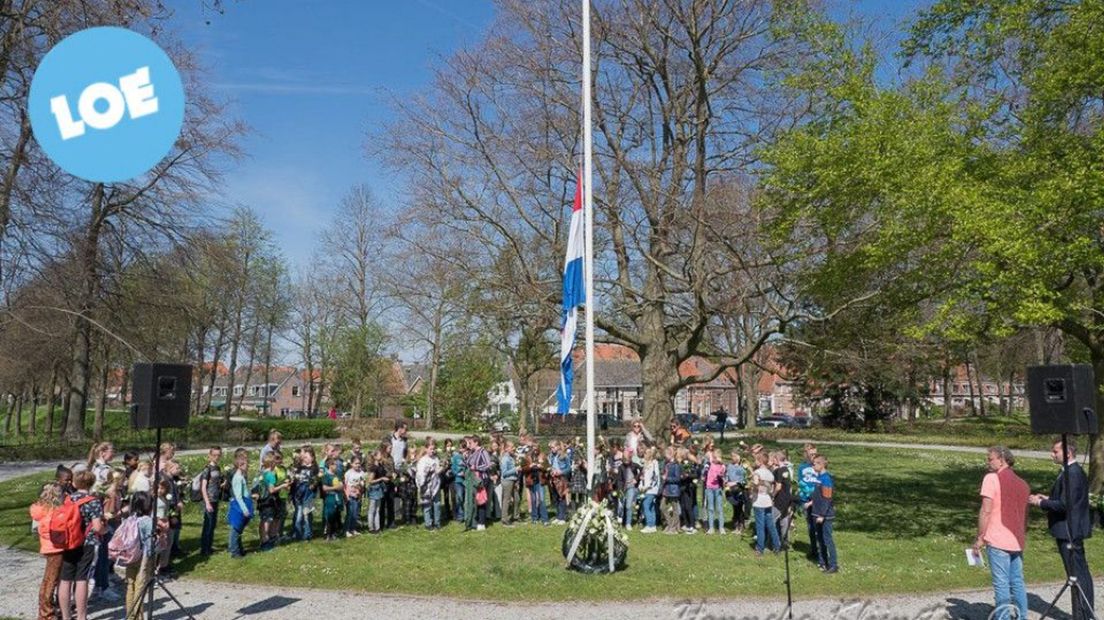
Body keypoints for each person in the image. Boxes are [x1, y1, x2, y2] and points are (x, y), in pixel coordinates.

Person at [1030, 439, 1095, 620]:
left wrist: (1041, 502)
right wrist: (1049, 497)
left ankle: (1083, 615)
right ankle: (1082, 614)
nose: (1052, 454)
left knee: (1078, 575)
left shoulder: (1073, 473)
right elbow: (1066, 499)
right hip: (1068, 529)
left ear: (1067, 453)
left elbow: (1066, 505)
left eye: (1055, 451)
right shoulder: (1069, 472)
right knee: (1077, 573)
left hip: (1069, 531)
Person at [974, 446, 1029, 620]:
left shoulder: (991, 479)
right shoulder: (1023, 484)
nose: (988, 462)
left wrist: (980, 537)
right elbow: (1023, 516)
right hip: (1017, 539)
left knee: (1001, 584)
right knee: (1018, 582)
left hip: (998, 538)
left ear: (1002, 459)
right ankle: (1022, 616)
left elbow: (986, 511)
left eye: (990, 459)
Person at [58, 470, 104, 620]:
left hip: (68, 541)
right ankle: (81, 616)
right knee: (81, 579)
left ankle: (66, 616)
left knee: (65, 579)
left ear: (75, 483)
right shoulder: (93, 500)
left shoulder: (67, 499)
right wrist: (105, 529)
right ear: (91, 483)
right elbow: (97, 527)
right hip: (86, 542)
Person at [30, 483, 64, 620]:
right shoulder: (53, 512)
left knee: (49, 579)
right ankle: (46, 613)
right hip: (56, 548)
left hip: (47, 547)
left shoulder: (40, 510)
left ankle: (47, 609)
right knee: (51, 580)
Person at [122, 491, 156, 620]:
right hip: (143, 557)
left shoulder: (130, 518)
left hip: (130, 555)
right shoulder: (148, 521)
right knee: (140, 587)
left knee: (130, 585)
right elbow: (151, 545)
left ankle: (130, 615)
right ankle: (138, 616)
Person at [809, 455, 838, 573]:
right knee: (819, 539)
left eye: (815, 463)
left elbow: (827, 499)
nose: (813, 465)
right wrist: (811, 502)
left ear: (821, 465)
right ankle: (823, 562)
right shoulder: (819, 477)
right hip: (817, 512)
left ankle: (833, 564)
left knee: (827, 540)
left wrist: (822, 515)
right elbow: (819, 495)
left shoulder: (826, 479)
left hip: (825, 515)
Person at [751, 451, 780, 556]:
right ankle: (777, 546)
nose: (755, 462)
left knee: (760, 525)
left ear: (760, 461)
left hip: (759, 501)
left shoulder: (757, 472)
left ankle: (760, 548)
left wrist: (753, 486)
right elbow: (772, 489)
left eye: (756, 460)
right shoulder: (770, 474)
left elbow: (755, 484)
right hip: (768, 501)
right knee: (771, 525)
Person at [796, 444, 820, 560]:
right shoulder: (802, 467)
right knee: (810, 526)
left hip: (818, 500)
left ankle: (822, 550)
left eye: (815, 454)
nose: (813, 456)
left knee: (818, 526)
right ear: (806, 454)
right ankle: (814, 550)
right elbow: (800, 482)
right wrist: (804, 496)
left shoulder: (819, 466)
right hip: (806, 500)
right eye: (811, 454)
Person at [199, 446, 223, 556]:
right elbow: (203, 487)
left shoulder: (217, 468)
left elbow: (216, 483)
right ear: (209, 456)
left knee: (212, 524)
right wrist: (207, 502)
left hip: (215, 498)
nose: (216, 457)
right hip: (209, 499)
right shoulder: (207, 469)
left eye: (219, 455)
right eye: (214, 455)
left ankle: (209, 546)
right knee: (207, 524)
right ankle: (204, 549)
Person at [228, 449, 251, 558]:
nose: (248, 466)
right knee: (236, 528)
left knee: (240, 528)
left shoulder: (241, 476)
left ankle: (239, 548)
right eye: (247, 464)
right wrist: (244, 509)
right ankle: (234, 550)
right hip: (239, 505)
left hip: (244, 502)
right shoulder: (237, 478)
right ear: (240, 465)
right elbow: (238, 496)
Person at [415, 444, 443, 530]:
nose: (432, 451)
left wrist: (441, 469)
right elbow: (420, 474)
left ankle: (437, 522)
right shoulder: (423, 460)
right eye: (431, 449)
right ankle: (428, 523)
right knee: (427, 504)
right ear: (426, 449)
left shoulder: (436, 459)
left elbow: (437, 471)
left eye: (434, 449)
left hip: (435, 485)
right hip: (426, 486)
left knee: (437, 504)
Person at [771, 450, 794, 549]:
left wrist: (772, 495)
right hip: (788, 499)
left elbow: (778, 486)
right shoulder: (787, 469)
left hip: (780, 499)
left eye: (773, 459)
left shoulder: (780, 471)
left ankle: (774, 543)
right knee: (784, 520)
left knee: (771, 520)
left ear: (776, 459)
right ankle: (784, 541)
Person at [725, 451, 748, 534]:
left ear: (739, 457)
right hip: (730, 490)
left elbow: (743, 480)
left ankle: (740, 526)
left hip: (739, 489)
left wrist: (734, 483)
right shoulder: (729, 466)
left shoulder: (742, 467)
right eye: (732, 456)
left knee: (739, 507)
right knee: (735, 507)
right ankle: (736, 525)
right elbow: (726, 476)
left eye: (735, 456)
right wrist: (726, 481)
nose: (733, 458)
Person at [321, 457, 344, 541]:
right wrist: (335, 487)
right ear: (330, 465)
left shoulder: (337, 475)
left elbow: (341, 485)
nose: (336, 466)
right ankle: (327, 534)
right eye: (334, 464)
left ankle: (334, 533)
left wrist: (340, 487)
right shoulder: (326, 476)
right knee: (329, 516)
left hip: (337, 499)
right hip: (330, 498)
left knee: (335, 516)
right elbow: (324, 488)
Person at [704, 449, 726, 535]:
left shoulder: (722, 466)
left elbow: (723, 475)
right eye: (713, 457)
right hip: (709, 488)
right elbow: (705, 469)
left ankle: (721, 527)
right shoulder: (709, 464)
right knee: (710, 508)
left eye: (715, 457)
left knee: (719, 508)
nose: (713, 459)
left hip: (718, 489)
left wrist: (721, 474)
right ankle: (711, 528)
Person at [662, 446, 683, 534]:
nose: (665, 457)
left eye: (666, 455)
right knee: (662, 507)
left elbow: (677, 479)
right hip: (666, 490)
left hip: (673, 490)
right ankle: (670, 524)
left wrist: (666, 478)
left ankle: (674, 528)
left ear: (670, 455)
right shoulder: (666, 464)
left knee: (675, 510)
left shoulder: (676, 465)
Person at [640, 446, 661, 533]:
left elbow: (655, 477)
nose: (644, 455)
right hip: (645, 489)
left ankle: (649, 525)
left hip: (651, 489)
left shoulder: (654, 463)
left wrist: (649, 486)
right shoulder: (646, 464)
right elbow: (644, 477)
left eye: (645, 453)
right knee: (651, 507)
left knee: (646, 505)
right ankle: (653, 525)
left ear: (649, 455)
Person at [343, 456, 366, 537]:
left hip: (357, 495)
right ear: (351, 464)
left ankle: (353, 529)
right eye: (356, 463)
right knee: (350, 513)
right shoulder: (348, 473)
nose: (358, 465)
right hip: (350, 495)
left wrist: (361, 490)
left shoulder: (362, 473)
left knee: (355, 513)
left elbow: (363, 484)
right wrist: (346, 496)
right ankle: (347, 530)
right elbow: (345, 485)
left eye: (359, 463)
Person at [499, 442, 518, 526]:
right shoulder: (505, 459)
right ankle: (504, 519)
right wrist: (515, 469)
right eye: (512, 447)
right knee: (506, 500)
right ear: (506, 448)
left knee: (517, 499)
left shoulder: (511, 457)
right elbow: (504, 473)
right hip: (507, 481)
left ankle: (515, 517)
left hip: (513, 480)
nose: (514, 448)